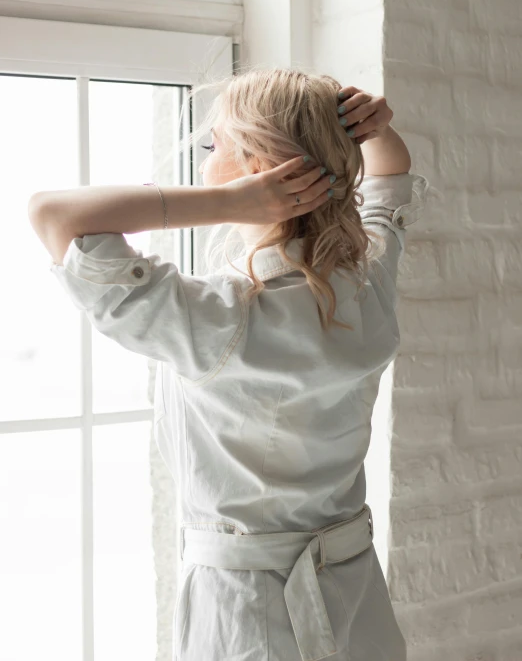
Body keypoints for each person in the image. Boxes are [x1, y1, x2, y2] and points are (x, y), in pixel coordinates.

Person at [28, 67, 429, 661]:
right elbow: (389, 188)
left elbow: (51, 214)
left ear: (259, 167)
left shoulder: (217, 320)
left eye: (215, 146)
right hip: (355, 597)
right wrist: (377, 131)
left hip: (247, 614)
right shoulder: (364, 287)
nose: (203, 159)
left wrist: (227, 202)